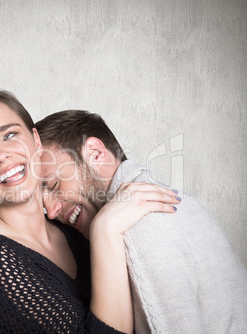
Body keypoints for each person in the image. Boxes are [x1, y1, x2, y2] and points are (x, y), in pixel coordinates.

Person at [0, 90, 180, 334]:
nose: (1, 155)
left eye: (9, 135)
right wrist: (106, 229)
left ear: (36, 141)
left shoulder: (72, 230)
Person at [35, 110, 247, 334]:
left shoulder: (140, 231)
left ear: (96, 154)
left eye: (54, 184)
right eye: (40, 201)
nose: (50, 211)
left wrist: (103, 229)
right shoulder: (172, 200)